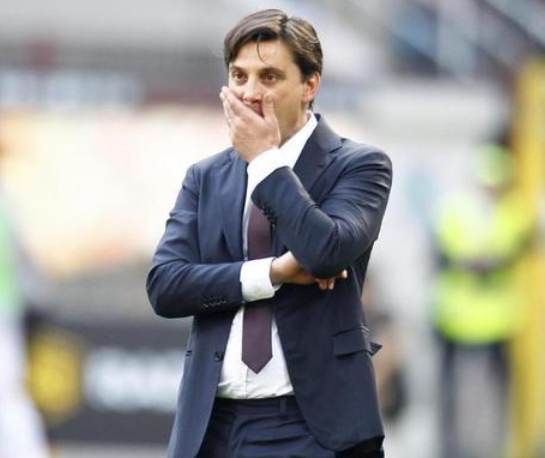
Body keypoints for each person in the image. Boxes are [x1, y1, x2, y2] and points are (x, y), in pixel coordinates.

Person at [147, 9, 392, 458]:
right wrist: (272, 273)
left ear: (310, 85)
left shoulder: (359, 165)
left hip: (311, 425)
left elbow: (324, 252)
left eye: (270, 76)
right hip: (213, 425)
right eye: (239, 76)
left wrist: (264, 159)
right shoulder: (205, 177)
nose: (250, 92)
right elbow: (165, 285)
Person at [432, 141, 532, 458]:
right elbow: (444, 254)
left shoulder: (514, 210)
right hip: (456, 314)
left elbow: (523, 242)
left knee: (499, 388)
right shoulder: (455, 208)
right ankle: (448, 447)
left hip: (497, 317)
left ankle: (500, 445)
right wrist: (477, 262)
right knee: (450, 389)